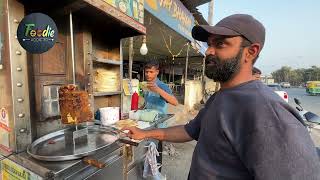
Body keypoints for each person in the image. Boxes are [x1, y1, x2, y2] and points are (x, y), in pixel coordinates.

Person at [124, 14, 320, 179]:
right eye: (209, 44)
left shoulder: (268, 112)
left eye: (221, 44)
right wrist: (145, 134)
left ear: (250, 52)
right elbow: (190, 130)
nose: (208, 51)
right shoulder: (220, 98)